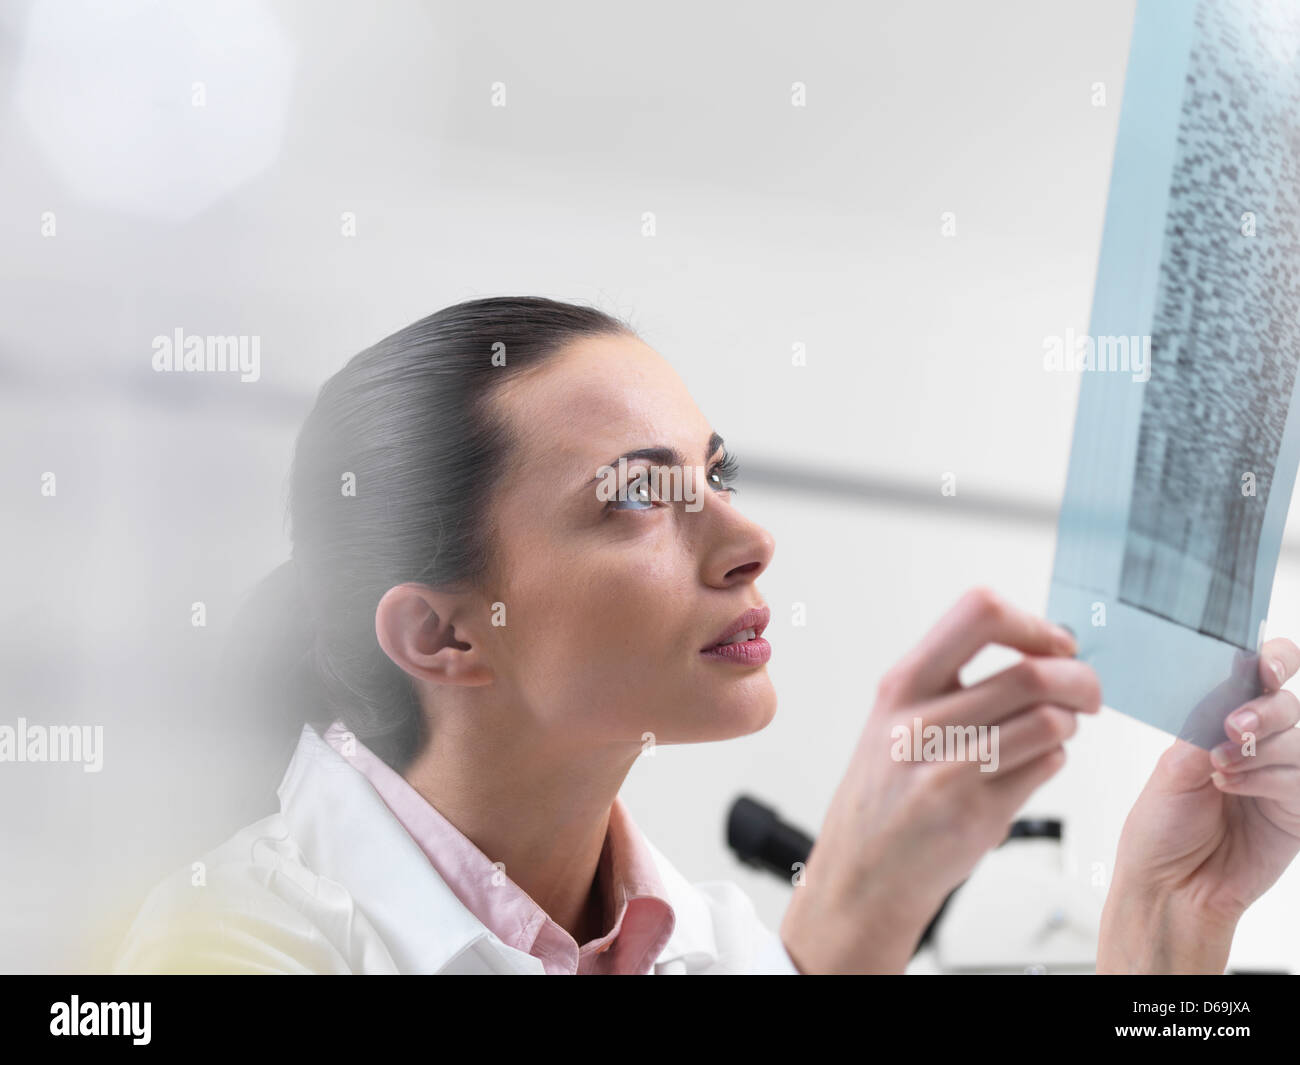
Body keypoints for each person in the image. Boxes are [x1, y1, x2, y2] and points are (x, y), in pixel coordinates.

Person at [113, 297, 1300, 974]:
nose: (745, 538)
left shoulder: (709, 945)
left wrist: (1169, 917)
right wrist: (852, 916)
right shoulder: (232, 942)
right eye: (636, 494)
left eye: (716, 473)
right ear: (441, 635)